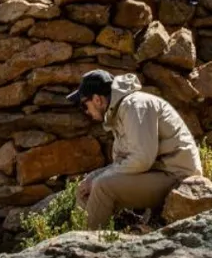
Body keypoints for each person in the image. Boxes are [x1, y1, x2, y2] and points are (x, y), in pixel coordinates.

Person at [67, 70, 203, 230]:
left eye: (84, 105)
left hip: (177, 177)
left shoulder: (134, 106)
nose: (86, 111)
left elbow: (141, 159)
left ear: (97, 100)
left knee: (103, 186)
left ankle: (87, 242)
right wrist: (93, 177)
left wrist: (99, 178)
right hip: (158, 172)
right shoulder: (120, 112)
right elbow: (125, 162)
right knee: (85, 188)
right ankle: (83, 235)